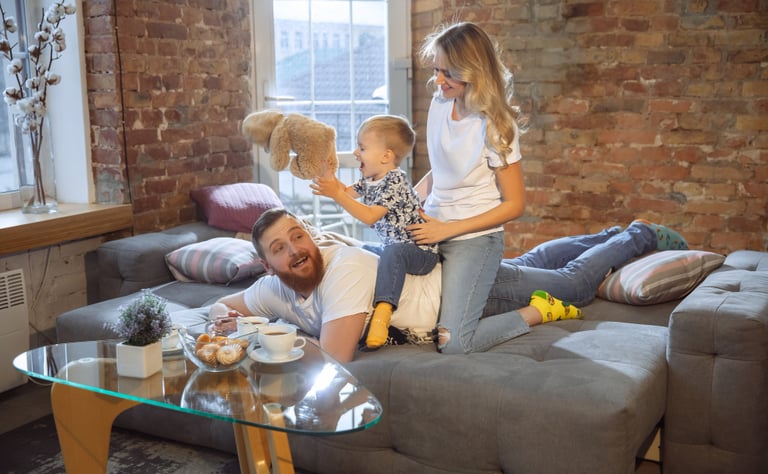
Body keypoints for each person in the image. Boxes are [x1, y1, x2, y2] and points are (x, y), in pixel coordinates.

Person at [210, 207, 599, 363]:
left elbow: (335, 355)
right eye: (280, 248)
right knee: (530, 263)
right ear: (266, 265)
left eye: (298, 236)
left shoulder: (344, 269)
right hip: (459, 281)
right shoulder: (272, 290)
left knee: (575, 283)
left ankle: (635, 235)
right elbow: (220, 308)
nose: (295, 250)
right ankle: (607, 234)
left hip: (461, 294)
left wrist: (257, 333)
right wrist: (231, 323)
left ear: (310, 235)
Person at [404, 21, 530, 354]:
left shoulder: (497, 125)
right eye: (436, 70)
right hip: (433, 228)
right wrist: (407, 202)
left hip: (474, 238)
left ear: (472, 71)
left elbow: (515, 204)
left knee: (454, 343)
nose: (438, 80)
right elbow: (443, 171)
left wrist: (446, 230)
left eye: (448, 73)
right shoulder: (440, 103)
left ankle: (539, 312)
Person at [310, 115, 439, 350]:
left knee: (393, 254)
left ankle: (383, 312)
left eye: (362, 147)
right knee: (364, 252)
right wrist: (330, 181)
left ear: (386, 156)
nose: (356, 152)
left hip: (420, 252)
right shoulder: (369, 179)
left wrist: (336, 194)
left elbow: (370, 215)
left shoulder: (395, 181)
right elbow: (347, 193)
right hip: (395, 246)